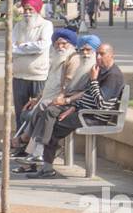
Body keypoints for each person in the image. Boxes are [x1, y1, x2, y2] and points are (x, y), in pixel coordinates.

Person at [26, 39, 124, 179]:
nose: (98, 57)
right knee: (50, 110)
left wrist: (94, 80)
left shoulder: (113, 76)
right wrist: (73, 106)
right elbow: (87, 94)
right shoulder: (99, 70)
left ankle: (43, 156)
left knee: (52, 125)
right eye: (97, 54)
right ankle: (43, 154)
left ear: (111, 55)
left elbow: (100, 103)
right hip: (83, 111)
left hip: (93, 117)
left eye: (102, 54)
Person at [11, 28, 80, 167]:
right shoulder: (56, 59)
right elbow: (49, 84)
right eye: (57, 44)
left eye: (64, 44)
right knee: (29, 111)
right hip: (49, 98)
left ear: (71, 45)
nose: (60, 47)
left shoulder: (73, 60)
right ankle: (32, 150)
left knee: (42, 109)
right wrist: (37, 98)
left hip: (62, 101)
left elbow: (68, 86)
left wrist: (60, 99)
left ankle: (29, 144)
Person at [11, 0, 54, 131]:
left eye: (30, 9)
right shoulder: (18, 26)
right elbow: (11, 47)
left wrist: (22, 46)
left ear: (37, 9)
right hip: (19, 76)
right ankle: (19, 145)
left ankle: (34, 146)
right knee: (20, 113)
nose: (28, 13)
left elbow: (42, 46)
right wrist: (30, 47)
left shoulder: (46, 25)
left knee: (37, 112)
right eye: (25, 9)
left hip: (38, 75)